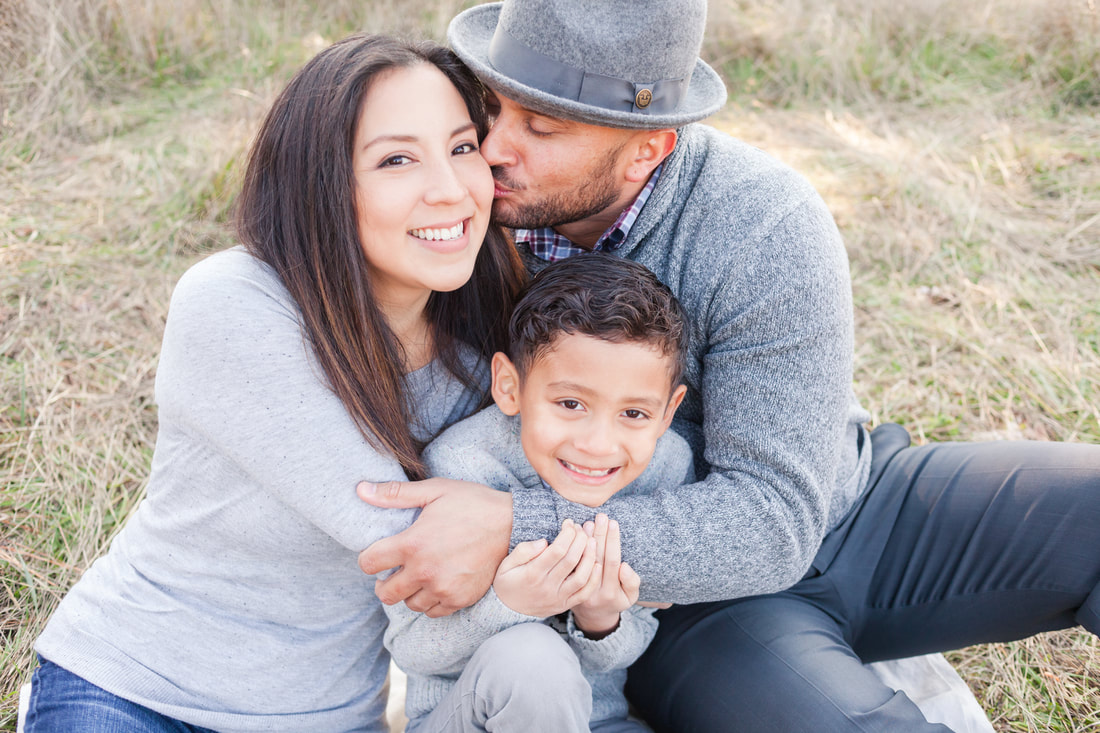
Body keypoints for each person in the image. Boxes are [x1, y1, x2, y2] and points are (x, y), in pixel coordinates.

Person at [356, 1, 1100, 731]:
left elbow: (777, 517)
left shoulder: (763, 219)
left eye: (541, 126)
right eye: (495, 108)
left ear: (648, 147)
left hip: (853, 504)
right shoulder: (461, 224)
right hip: (687, 602)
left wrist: (520, 523)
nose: (492, 150)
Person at [25, 34, 525, 733]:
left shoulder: (478, 368)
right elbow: (404, 539)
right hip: (137, 693)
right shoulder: (234, 302)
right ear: (320, 184)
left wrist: (521, 525)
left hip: (327, 719)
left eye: (463, 147)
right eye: (397, 159)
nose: (448, 188)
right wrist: (544, 534)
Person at [385, 253, 692, 732]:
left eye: (634, 414)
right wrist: (511, 607)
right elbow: (411, 647)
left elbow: (628, 647)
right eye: (571, 403)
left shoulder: (666, 468)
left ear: (669, 411)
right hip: (468, 721)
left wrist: (601, 619)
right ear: (509, 386)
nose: (598, 445)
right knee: (533, 659)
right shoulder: (459, 470)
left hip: (599, 721)